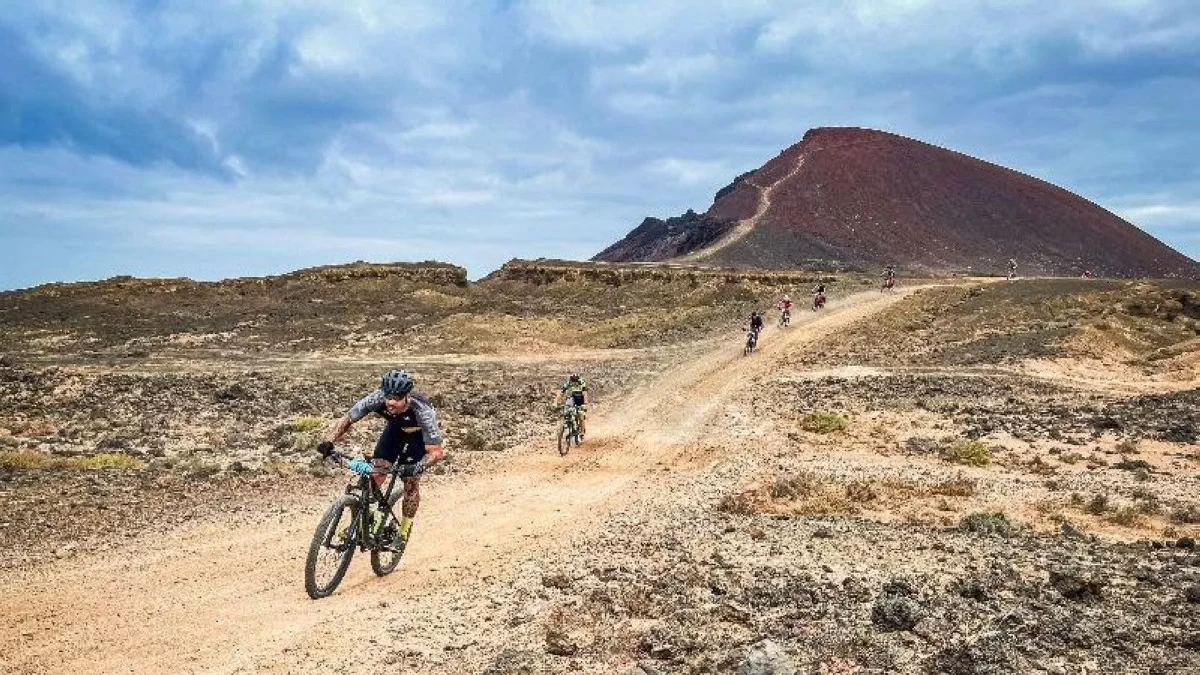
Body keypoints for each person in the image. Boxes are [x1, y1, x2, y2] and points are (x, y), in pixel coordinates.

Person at [318, 369, 445, 550]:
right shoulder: (377, 398)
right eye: (388, 397)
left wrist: (418, 466)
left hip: (417, 438)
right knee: (377, 471)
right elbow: (348, 418)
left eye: (397, 398)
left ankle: (403, 532)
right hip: (394, 432)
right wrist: (329, 441)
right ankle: (372, 519)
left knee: (410, 483)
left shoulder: (422, 411)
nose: (391, 402)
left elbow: (437, 452)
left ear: (407, 396)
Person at [554, 373, 590, 439]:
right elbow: (561, 392)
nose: (574, 382)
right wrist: (556, 402)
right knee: (566, 410)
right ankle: (566, 427)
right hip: (572, 397)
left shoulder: (581, 382)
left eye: (575, 381)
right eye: (572, 380)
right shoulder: (569, 382)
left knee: (581, 415)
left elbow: (585, 393)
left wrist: (585, 403)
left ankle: (582, 431)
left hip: (580, 398)